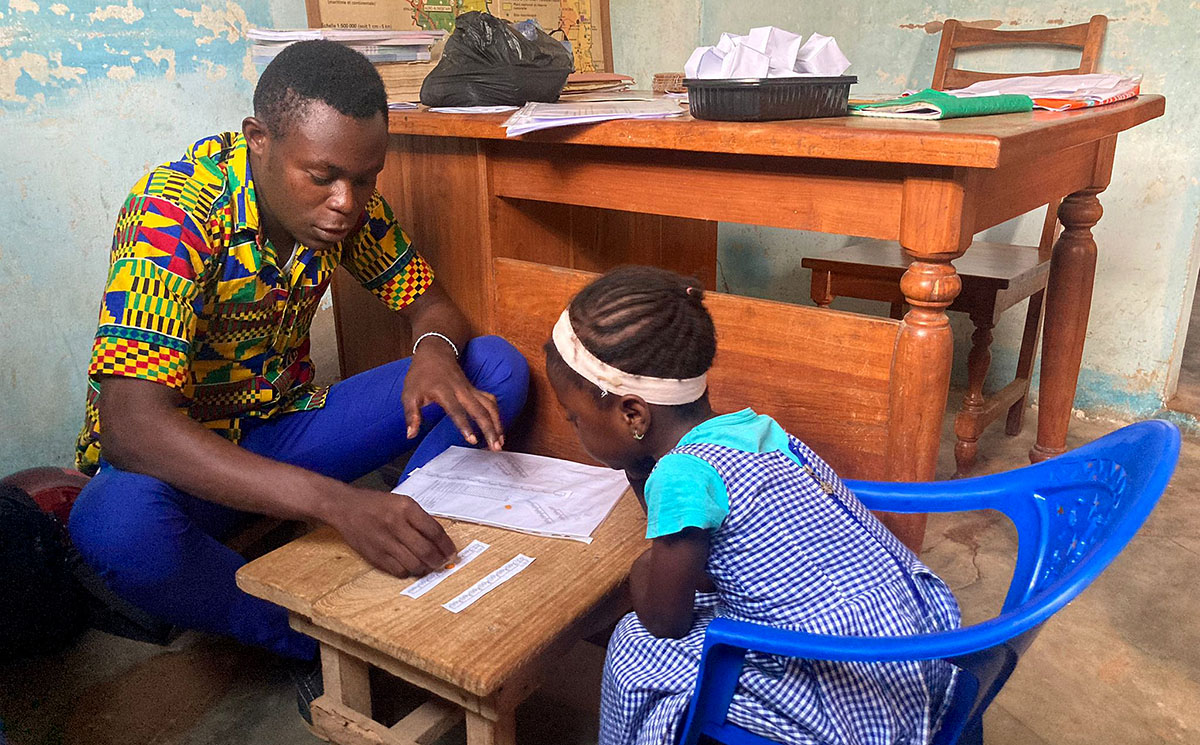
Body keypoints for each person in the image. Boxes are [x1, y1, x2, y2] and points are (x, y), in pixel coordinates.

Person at [67, 40, 528, 673]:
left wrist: (434, 352)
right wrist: (338, 505)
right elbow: (131, 427)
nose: (346, 201)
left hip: (286, 429)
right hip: (185, 464)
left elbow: (431, 303)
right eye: (323, 177)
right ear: (260, 138)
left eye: (365, 179)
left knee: (494, 366)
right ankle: (325, 641)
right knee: (114, 526)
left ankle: (414, 543)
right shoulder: (174, 212)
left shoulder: (344, 206)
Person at [544, 266, 961, 745]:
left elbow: (667, 618)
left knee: (633, 646)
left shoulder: (684, 475)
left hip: (846, 676)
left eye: (574, 418)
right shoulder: (753, 429)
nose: (575, 429)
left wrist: (642, 570)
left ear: (633, 413)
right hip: (914, 632)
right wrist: (638, 461)